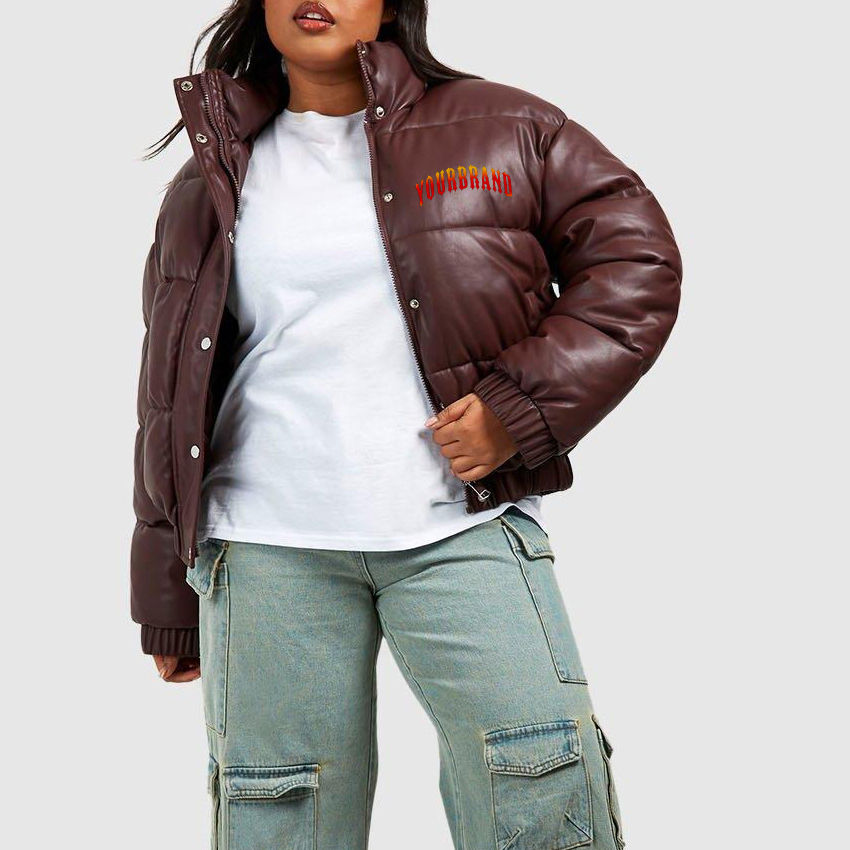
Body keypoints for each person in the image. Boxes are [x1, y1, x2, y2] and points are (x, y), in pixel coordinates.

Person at [130, 1, 682, 848]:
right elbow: (169, 391)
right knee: (279, 820)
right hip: (267, 548)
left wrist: (520, 411)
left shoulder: (503, 128)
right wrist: (169, 593)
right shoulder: (209, 182)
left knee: (540, 792)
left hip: (461, 527)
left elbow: (635, 260)